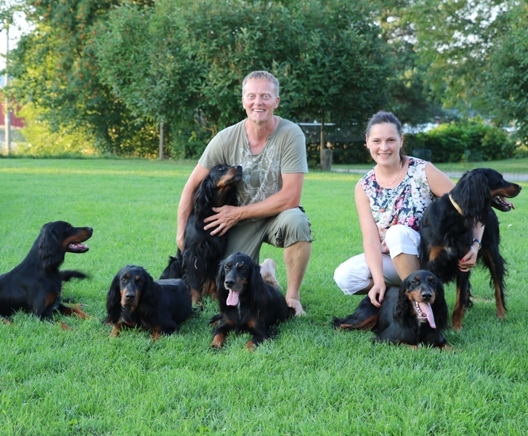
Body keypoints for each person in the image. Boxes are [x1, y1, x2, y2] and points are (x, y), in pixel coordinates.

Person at [176, 70, 312, 315]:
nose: (258, 102)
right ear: (243, 101)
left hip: (276, 215)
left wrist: (237, 213)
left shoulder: (291, 134)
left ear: (276, 101)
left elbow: (291, 196)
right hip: (238, 224)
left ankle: (293, 297)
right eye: (252, 96)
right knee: (230, 280)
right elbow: (192, 186)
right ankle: (265, 271)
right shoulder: (225, 138)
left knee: (297, 221)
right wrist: (180, 234)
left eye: (265, 96)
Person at [333, 111, 484, 307]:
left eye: (390, 140)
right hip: (391, 257)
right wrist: (378, 281)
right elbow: (370, 239)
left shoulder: (423, 170)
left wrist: (475, 245)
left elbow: (470, 206)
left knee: (397, 233)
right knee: (345, 276)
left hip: (429, 256)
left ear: (401, 140)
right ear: (367, 142)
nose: (384, 147)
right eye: (377, 141)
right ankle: (405, 293)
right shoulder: (364, 186)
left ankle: (422, 304)